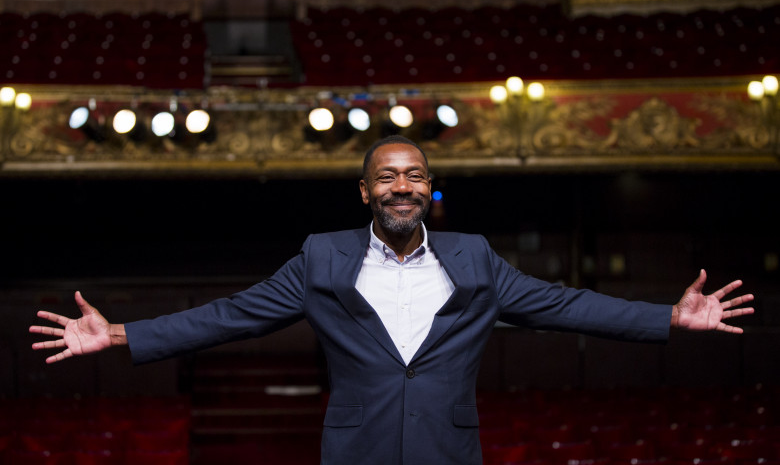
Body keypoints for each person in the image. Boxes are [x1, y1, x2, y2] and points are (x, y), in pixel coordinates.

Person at [30, 135, 754, 465]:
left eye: (414, 175)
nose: (401, 186)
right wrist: (120, 334)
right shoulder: (321, 255)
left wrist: (667, 315)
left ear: (429, 189)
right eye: (387, 177)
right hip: (356, 449)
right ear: (365, 192)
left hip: (449, 448)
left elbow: (562, 305)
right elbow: (232, 313)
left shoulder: (474, 256)